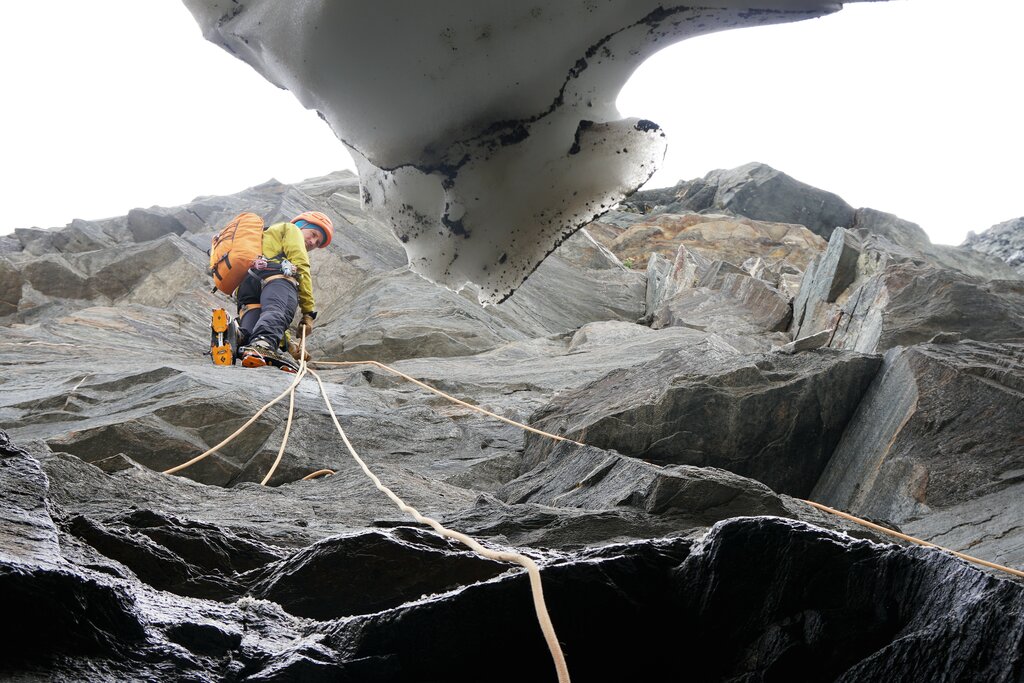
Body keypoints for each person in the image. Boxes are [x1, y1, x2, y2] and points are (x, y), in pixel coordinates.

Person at [236, 211, 334, 368]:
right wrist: (308, 313)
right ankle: (263, 345)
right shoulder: (292, 229)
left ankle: (235, 337)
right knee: (280, 309)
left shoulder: (268, 237)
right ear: (301, 225)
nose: (313, 242)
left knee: (254, 331)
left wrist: (289, 345)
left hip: (248, 286)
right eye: (313, 234)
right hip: (274, 278)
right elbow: (301, 267)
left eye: (317, 242)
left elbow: (271, 319)